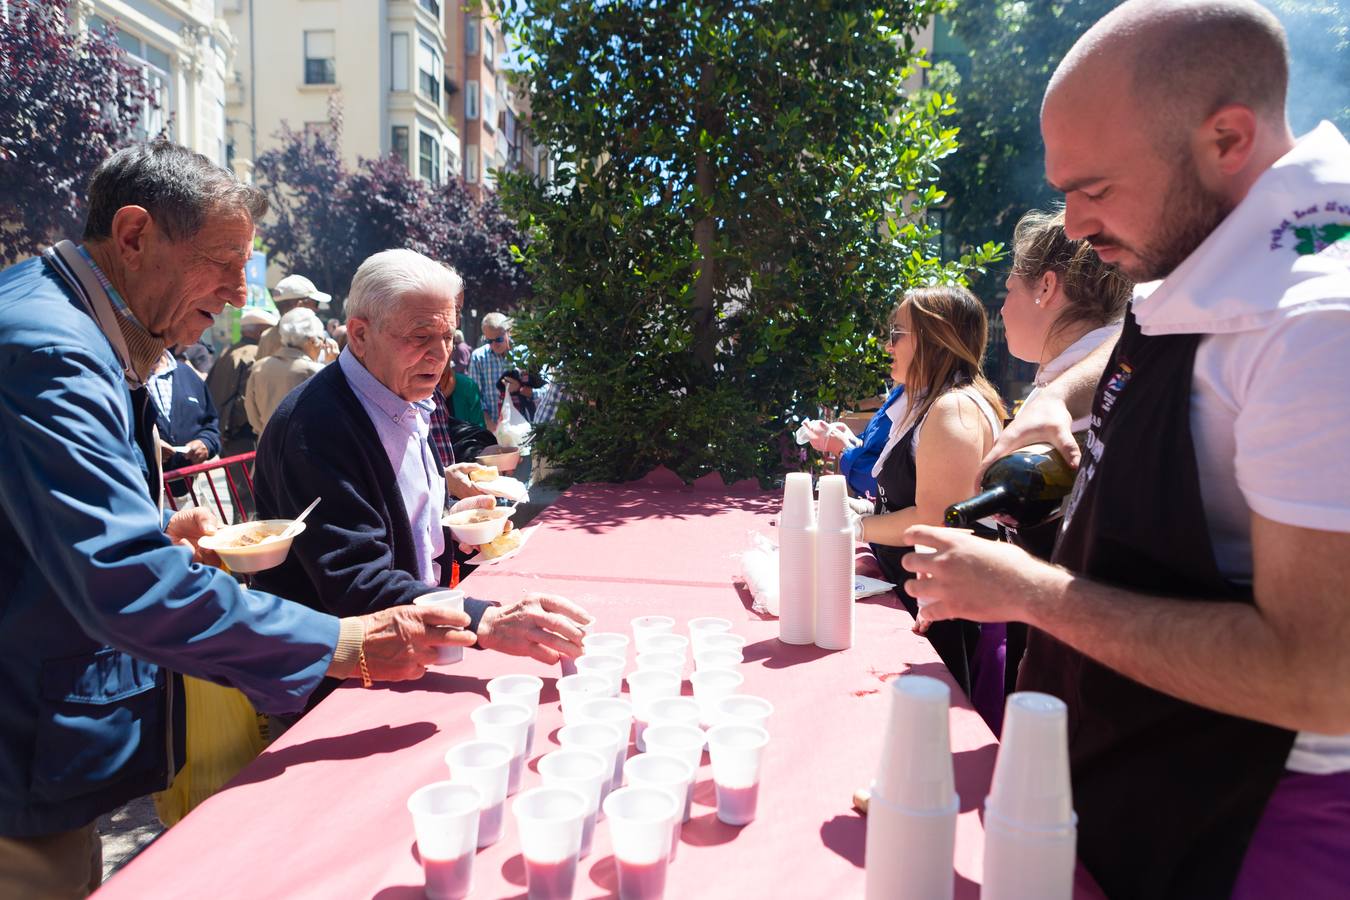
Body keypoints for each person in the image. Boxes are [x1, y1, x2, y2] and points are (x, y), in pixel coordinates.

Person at [902, 3, 1350, 898]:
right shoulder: (1217, 239)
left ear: (1227, 137)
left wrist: (1025, 591)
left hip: (1245, 823)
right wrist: (1051, 402)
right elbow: (1137, 331)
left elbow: (1322, 676)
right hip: (1137, 764)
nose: (1070, 226)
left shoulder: (1319, 328)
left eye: (1094, 189)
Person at [0, 142, 480, 898]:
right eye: (224, 264)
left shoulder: (69, 323)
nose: (234, 293)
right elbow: (122, 582)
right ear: (134, 236)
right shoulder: (51, 348)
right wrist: (344, 642)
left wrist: (158, 524)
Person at [251, 249, 590, 704]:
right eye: (420, 336)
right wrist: (484, 620)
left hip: (412, 648)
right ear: (360, 334)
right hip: (341, 690)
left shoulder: (404, 395)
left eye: (447, 336)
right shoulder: (318, 426)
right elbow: (356, 584)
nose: (440, 354)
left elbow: (398, 525)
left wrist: (452, 525)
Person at [850, 287, 1007, 727]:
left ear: (934, 338)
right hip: (919, 593)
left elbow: (935, 519)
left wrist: (858, 527)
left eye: (897, 333)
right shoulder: (934, 402)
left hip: (940, 612)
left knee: (928, 732)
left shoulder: (953, 408)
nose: (888, 345)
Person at [997, 207, 1132, 557]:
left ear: (1046, 286)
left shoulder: (1112, 388)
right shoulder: (1055, 387)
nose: (1001, 309)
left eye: (1009, 290)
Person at [800, 383, 906, 500]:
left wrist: (842, 449)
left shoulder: (921, 407)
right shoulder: (901, 392)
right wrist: (853, 441)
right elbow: (876, 446)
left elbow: (890, 486)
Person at [145, 349, 221, 497]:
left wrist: (205, 442)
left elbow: (211, 423)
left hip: (189, 493)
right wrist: (149, 445)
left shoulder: (187, 374)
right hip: (145, 495)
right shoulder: (123, 378)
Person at [244, 307, 329, 437]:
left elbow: (252, 416)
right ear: (312, 340)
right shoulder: (316, 372)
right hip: (304, 449)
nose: (323, 346)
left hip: (267, 446)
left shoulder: (259, 367)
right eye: (322, 340)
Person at [206, 305, 275, 457]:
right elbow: (246, 399)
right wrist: (233, 428)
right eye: (270, 330)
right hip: (243, 435)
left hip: (226, 433)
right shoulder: (256, 354)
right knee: (248, 480)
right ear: (260, 331)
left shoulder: (228, 352)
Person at [256, 273, 330, 359]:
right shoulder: (304, 340)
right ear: (300, 306)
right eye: (316, 304)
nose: (317, 309)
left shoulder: (266, 336)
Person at [468, 311, 517, 431]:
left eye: (498, 339)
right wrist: (490, 424)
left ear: (508, 332)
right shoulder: (478, 357)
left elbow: (542, 392)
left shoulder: (524, 354)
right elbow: (476, 397)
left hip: (522, 427)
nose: (494, 345)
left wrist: (520, 389)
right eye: (489, 341)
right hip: (492, 428)